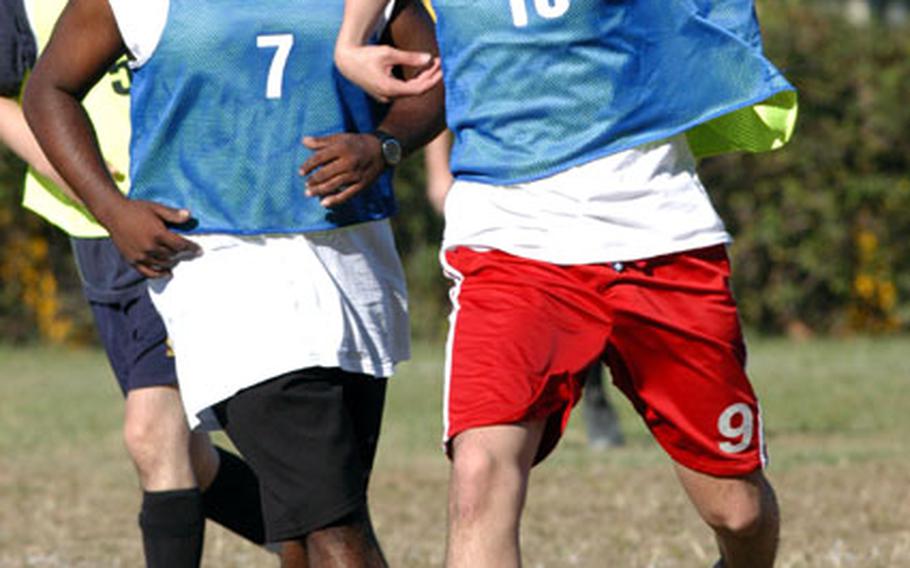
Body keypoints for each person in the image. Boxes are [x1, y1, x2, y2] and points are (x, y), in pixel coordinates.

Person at [335, 2, 798, 567]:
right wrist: (350, 41)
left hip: (659, 229)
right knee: (480, 473)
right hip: (510, 237)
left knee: (738, 511)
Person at [23, 0, 445, 566]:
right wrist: (110, 209)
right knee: (336, 529)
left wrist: (384, 144)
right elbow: (48, 89)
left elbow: (437, 76)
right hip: (222, 271)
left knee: (301, 524)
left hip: (351, 263)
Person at [0, 1, 269, 565]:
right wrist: (90, 185)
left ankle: (333, 538)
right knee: (184, 455)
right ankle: (331, 540)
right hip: (96, 228)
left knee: (154, 433)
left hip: (190, 214)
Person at [422, 130, 624, 450]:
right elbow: (443, 85)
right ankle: (502, 421)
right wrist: (437, 170)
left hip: (582, 177)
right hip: (498, 187)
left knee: (588, 289)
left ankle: (592, 391)